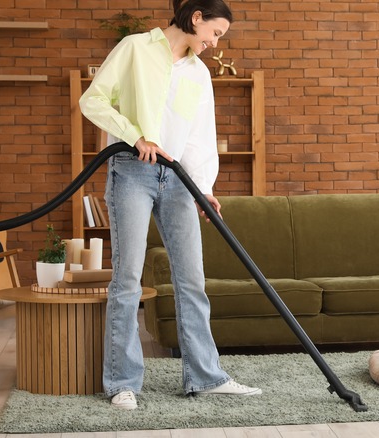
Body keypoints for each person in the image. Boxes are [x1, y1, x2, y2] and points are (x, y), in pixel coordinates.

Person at [79, 0, 261, 410]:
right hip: (132, 171)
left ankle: (205, 377)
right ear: (195, 18)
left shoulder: (199, 73)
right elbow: (93, 101)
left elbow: (199, 135)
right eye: (214, 33)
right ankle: (122, 382)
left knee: (192, 280)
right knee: (127, 279)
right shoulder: (134, 48)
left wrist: (204, 186)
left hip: (179, 181)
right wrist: (135, 136)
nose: (214, 43)